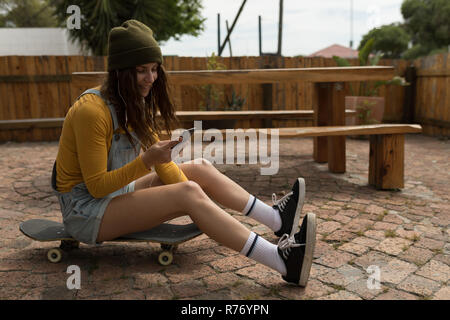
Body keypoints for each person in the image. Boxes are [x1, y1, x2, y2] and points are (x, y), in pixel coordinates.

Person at [53, 19, 316, 286]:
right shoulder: (92, 112)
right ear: (119, 71)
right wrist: (159, 172)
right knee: (187, 193)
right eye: (141, 70)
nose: (151, 78)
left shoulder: (130, 103)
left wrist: (200, 206)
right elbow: (97, 187)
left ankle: (276, 219)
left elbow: (165, 166)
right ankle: (283, 261)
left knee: (199, 168)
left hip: (114, 196)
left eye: (155, 69)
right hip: (85, 212)